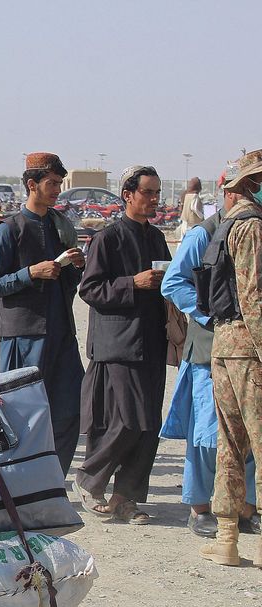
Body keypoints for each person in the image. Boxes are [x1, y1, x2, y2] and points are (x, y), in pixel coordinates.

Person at [162, 172, 258, 537]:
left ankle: (242, 508)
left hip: (247, 355)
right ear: (231, 193)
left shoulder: (254, 228)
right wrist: (211, 316)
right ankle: (199, 506)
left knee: (245, 434)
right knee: (206, 435)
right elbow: (174, 282)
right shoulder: (204, 232)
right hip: (210, 351)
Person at [73, 165, 170, 524]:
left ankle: (126, 498)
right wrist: (134, 283)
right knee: (128, 419)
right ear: (128, 194)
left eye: (157, 193)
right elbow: (90, 289)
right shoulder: (107, 239)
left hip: (152, 342)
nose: (154, 199)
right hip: (119, 344)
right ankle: (90, 477)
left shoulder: (157, 239)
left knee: (148, 425)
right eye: (148, 192)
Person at [0, 152, 86, 476]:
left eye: (59, 183)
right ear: (32, 184)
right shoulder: (9, 230)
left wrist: (75, 267)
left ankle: (52, 479)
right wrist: (31, 273)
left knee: (69, 410)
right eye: (52, 183)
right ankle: (17, 482)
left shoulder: (60, 226)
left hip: (60, 333)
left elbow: (69, 283)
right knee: (20, 415)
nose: (57, 189)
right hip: (24, 337)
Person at [201, 150, 262, 566]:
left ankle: (226, 538)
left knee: (231, 443)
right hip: (248, 347)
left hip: (224, 344)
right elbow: (253, 295)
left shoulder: (227, 225)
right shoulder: (253, 227)